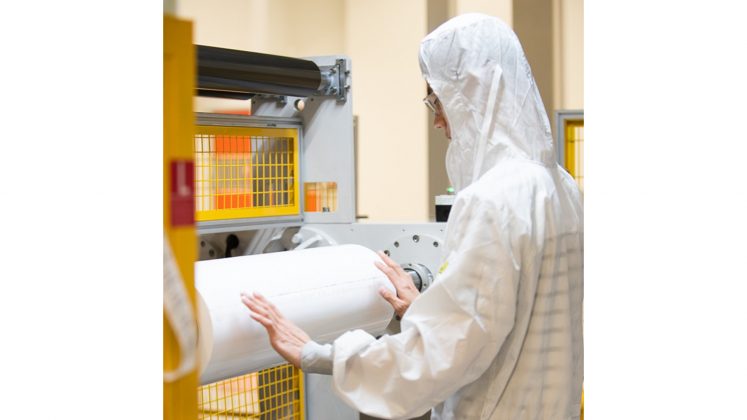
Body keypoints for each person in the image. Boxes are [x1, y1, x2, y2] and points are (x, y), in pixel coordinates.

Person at [242, 13, 583, 420]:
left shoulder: (491, 201)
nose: (437, 120)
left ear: (473, 91)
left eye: (437, 100)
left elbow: (438, 358)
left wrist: (317, 354)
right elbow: (505, 320)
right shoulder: (562, 187)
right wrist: (429, 309)